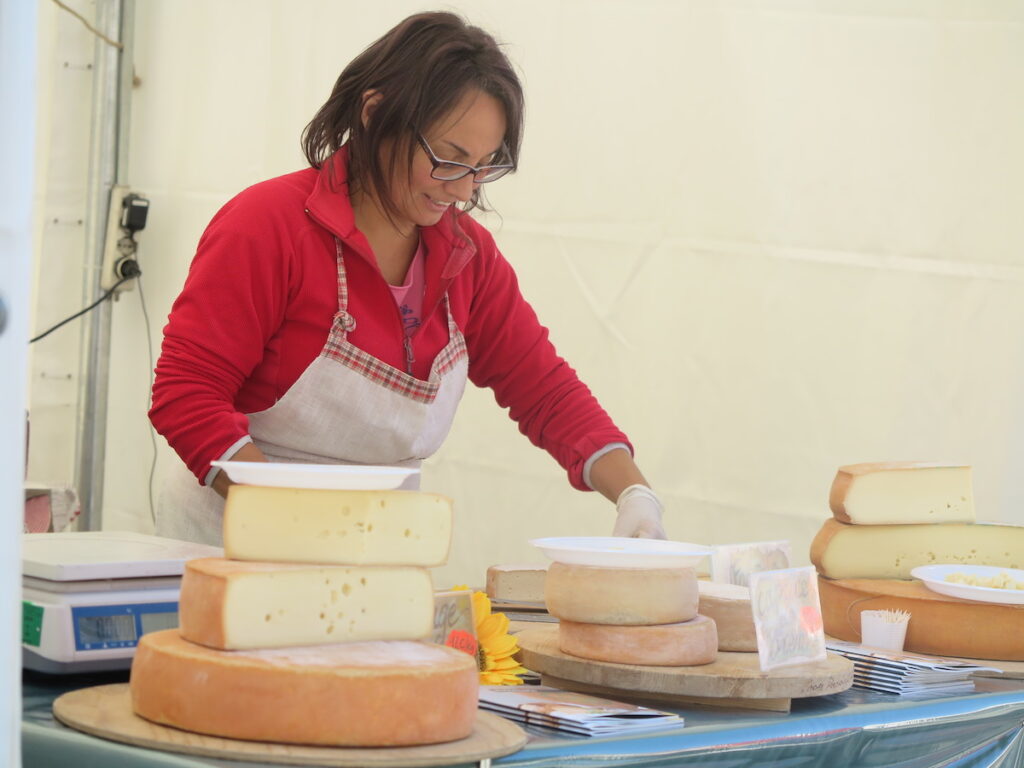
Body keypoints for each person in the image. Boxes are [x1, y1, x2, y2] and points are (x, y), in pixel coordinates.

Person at [149, 11, 666, 546]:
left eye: (484, 166)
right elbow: (185, 393)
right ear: (376, 113)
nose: (465, 191)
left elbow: (545, 392)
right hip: (229, 545)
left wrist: (634, 494)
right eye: (449, 158)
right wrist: (286, 518)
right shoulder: (269, 225)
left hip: (372, 556)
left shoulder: (469, 257)